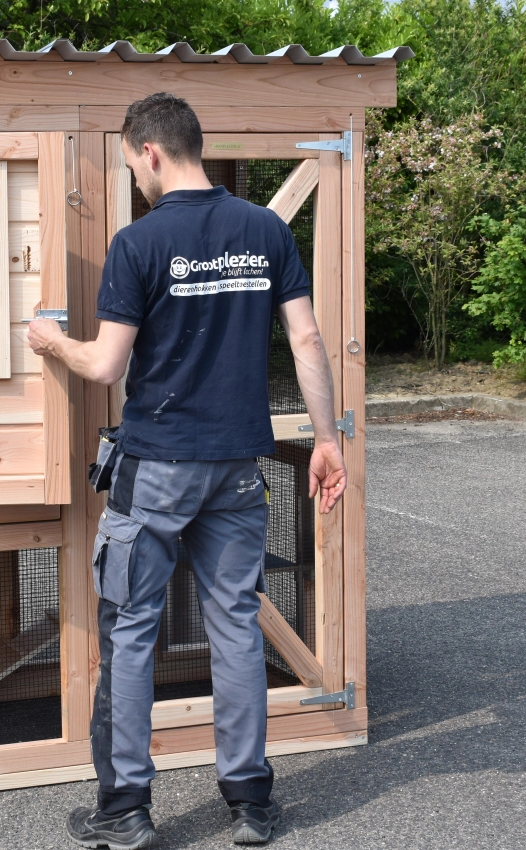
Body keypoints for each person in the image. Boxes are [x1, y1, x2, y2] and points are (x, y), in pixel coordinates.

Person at [27, 92, 347, 849]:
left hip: (157, 469)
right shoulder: (264, 230)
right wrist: (327, 439)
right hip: (237, 467)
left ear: (150, 152)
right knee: (235, 625)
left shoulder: (138, 242)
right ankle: (250, 802)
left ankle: (124, 810)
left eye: (130, 165)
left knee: (130, 627)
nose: (135, 179)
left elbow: (105, 364)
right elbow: (306, 341)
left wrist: (50, 343)